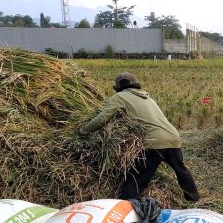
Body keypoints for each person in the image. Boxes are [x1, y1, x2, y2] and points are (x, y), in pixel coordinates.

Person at [79, 72, 200, 202]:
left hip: (154, 141)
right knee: (181, 170)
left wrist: (83, 130)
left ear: (118, 86)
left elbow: (103, 117)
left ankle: (127, 203)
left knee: (137, 176)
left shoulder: (119, 97)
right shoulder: (147, 97)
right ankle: (193, 198)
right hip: (172, 137)